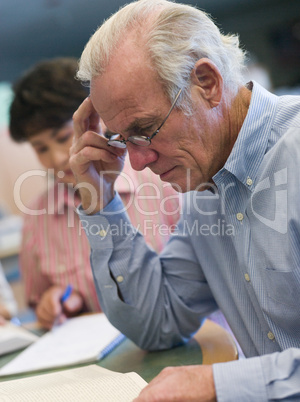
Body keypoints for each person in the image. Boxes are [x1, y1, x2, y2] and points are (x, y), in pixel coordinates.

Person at [69, 0, 300, 400]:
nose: (137, 163)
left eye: (145, 129)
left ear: (207, 82)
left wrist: (218, 384)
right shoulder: (205, 188)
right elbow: (158, 322)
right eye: (123, 140)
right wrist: (101, 200)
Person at [9, 57, 180, 330]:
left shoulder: (163, 184)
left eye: (63, 138)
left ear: (96, 122)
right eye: (41, 148)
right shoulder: (36, 219)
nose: (55, 159)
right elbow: (39, 301)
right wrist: (55, 302)